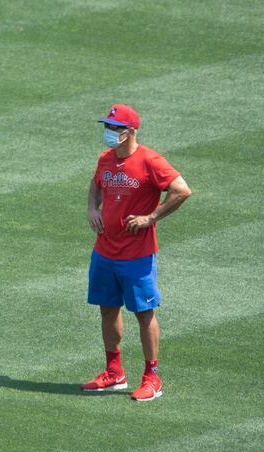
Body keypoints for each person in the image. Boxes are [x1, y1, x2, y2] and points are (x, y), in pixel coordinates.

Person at [82, 104, 192, 401]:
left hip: (137, 256)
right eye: (107, 126)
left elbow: (182, 190)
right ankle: (114, 373)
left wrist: (151, 217)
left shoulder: (150, 161)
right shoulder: (105, 158)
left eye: (114, 128)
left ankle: (152, 378)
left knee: (143, 313)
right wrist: (93, 207)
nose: (108, 132)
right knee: (107, 309)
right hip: (104, 251)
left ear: (130, 131)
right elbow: (96, 186)